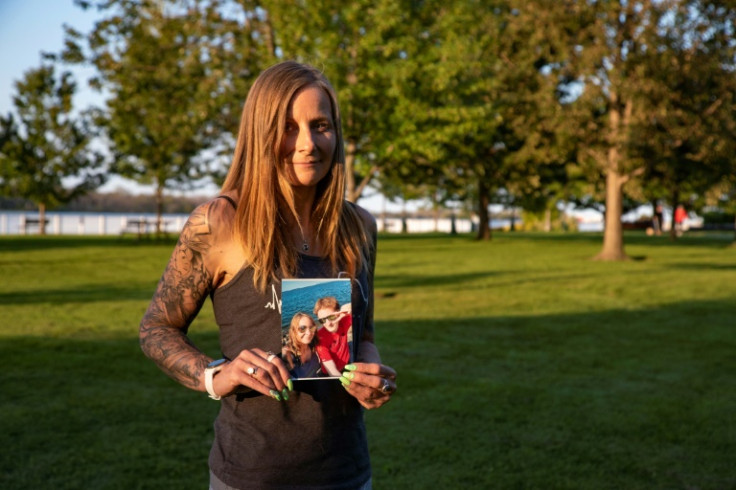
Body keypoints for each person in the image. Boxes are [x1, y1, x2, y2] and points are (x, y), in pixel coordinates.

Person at [138, 60, 396, 490]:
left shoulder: (359, 228)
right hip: (251, 475)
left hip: (347, 473)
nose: (307, 144)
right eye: (289, 127)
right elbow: (156, 328)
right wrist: (217, 375)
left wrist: (370, 373)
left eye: (321, 125)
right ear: (260, 133)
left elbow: (363, 336)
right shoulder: (219, 222)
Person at [282, 312, 338, 378]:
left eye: (311, 328)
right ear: (294, 331)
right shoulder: (290, 355)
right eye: (302, 328)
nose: (309, 333)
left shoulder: (314, 345)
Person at [314, 296, 352, 374]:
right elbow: (332, 371)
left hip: (347, 363)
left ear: (337, 313)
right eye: (323, 320)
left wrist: (344, 312)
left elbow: (360, 306)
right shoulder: (320, 338)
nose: (328, 323)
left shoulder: (344, 321)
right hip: (331, 373)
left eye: (331, 317)